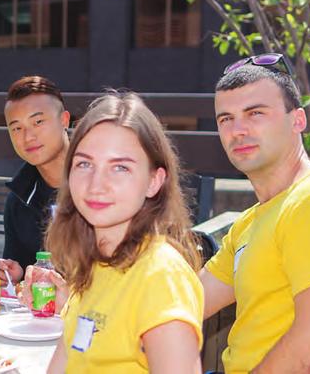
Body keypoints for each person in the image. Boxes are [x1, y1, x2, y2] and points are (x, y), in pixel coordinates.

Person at [200, 55, 310, 373]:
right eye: (225, 119)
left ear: (298, 120)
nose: (238, 130)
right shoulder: (257, 218)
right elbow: (188, 300)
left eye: (255, 113)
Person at [21, 92, 204, 373]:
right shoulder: (94, 263)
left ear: (154, 182)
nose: (97, 184)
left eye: (120, 167)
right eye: (84, 164)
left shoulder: (160, 275)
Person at [0, 75, 70, 286]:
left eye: (38, 122)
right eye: (17, 128)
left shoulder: (99, 185)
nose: (28, 137)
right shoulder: (19, 197)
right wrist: (16, 274)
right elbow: (22, 268)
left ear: (64, 120)